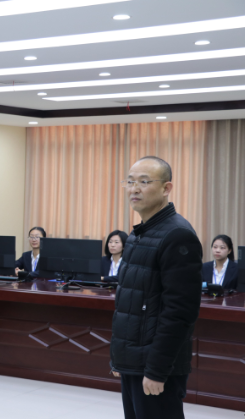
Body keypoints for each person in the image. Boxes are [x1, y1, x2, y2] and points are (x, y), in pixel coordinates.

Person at [110, 156, 203, 419]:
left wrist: (157, 369)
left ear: (166, 188)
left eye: (144, 181)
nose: (134, 188)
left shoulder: (178, 235)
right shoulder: (138, 234)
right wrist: (120, 358)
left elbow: (180, 312)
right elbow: (130, 304)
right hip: (134, 361)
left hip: (156, 366)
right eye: (129, 182)